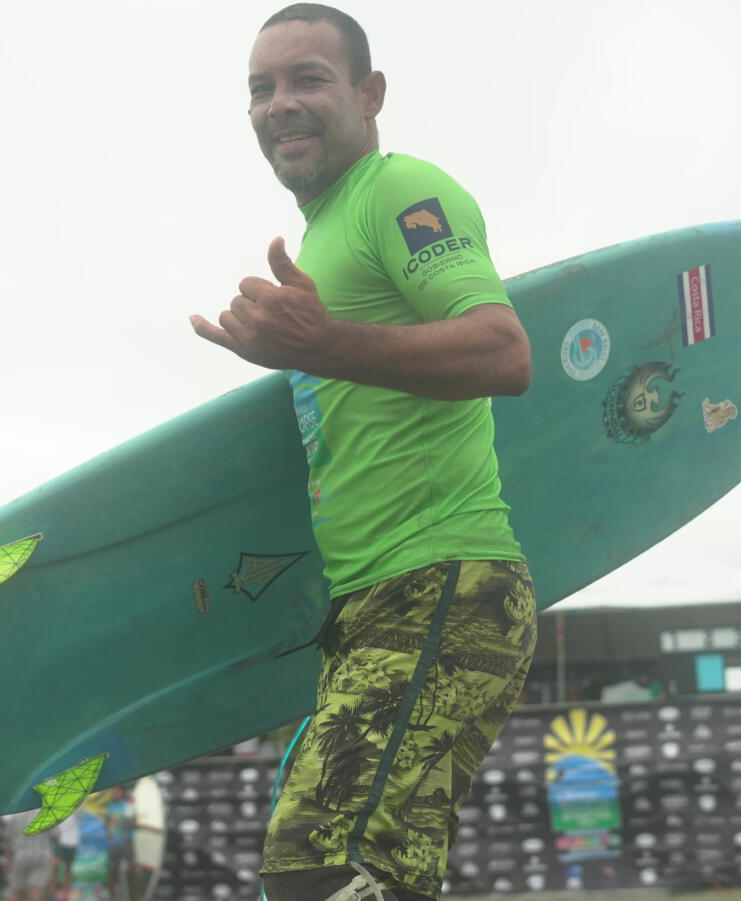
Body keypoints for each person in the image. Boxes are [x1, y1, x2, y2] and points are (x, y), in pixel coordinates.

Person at [190, 5, 537, 900]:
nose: (279, 104)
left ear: (369, 93)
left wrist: (323, 344)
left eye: (307, 78)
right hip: (371, 602)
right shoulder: (322, 235)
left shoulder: (400, 192)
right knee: (381, 879)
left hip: (441, 582)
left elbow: (503, 351)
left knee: (316, 867)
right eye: (260, 89)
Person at [2, 812, 54, 901]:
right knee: (36, 890)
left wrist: (7, 860)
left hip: (21, 856)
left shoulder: (16, 815)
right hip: (42, 856)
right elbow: (56, 835)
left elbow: (8, 839)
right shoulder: (47, 814)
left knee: (16, 890)